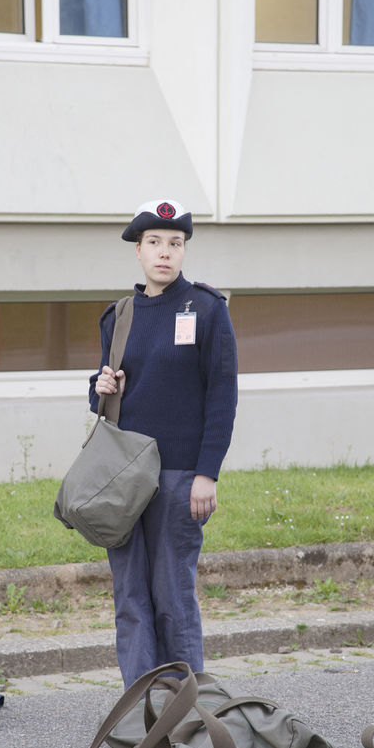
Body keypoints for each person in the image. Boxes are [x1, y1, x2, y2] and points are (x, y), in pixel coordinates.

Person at [89, 199, 238, 688]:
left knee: (173, 596)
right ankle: (139, 702)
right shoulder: (119, 315)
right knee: (130, 597)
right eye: (154, 242)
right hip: (124, 476)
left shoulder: (207, 309)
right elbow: (107, 390)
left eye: (175, 243)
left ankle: (185, 703)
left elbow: (222, 395)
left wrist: (206, 473)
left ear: (183, 250)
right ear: (138, 250)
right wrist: (99, 387)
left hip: (179, 476)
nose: (165, 252)